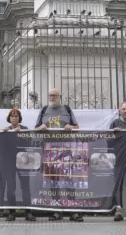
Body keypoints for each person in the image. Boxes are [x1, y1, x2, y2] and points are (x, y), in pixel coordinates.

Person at [35, 88, 83, 223]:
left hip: (66, 150)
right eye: (50, 95)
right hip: (49, 151)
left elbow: (77, 127)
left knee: (68, 180)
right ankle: (57, 211)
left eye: (55, 95)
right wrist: (41, 128)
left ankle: (73, 211)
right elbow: (36, 128)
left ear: (59, 96)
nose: (52, 97)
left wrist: (70, 127)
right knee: (54, 181)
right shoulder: (44, 110)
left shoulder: (66, 109)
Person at [1, 108, 36, 222]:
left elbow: (30, 143)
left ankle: (29, 212)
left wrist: (20, 134)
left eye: (16, 116)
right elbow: (2, 146)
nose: (14, 118)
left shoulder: (24, 129)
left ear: (19, 118)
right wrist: (4, 133)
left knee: (25, 186)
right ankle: (11, 212)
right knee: (11, 187)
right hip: (9, 161)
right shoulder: (5, 130)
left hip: (23, 160)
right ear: (9, 118)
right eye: (12, 116)